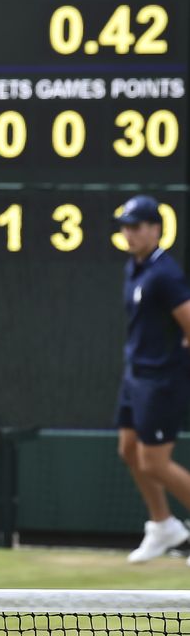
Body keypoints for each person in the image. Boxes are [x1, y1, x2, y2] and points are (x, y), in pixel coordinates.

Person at [112, 194, 190, 564]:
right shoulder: (135, 267)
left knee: (154, 463)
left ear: (156, 230)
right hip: (135, 377)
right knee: (128, 450)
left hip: (161, 380)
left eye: (137, 226)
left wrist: (174, 364)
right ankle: (163, 525)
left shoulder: (165, 274)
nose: (129, 233)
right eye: (126, 226)